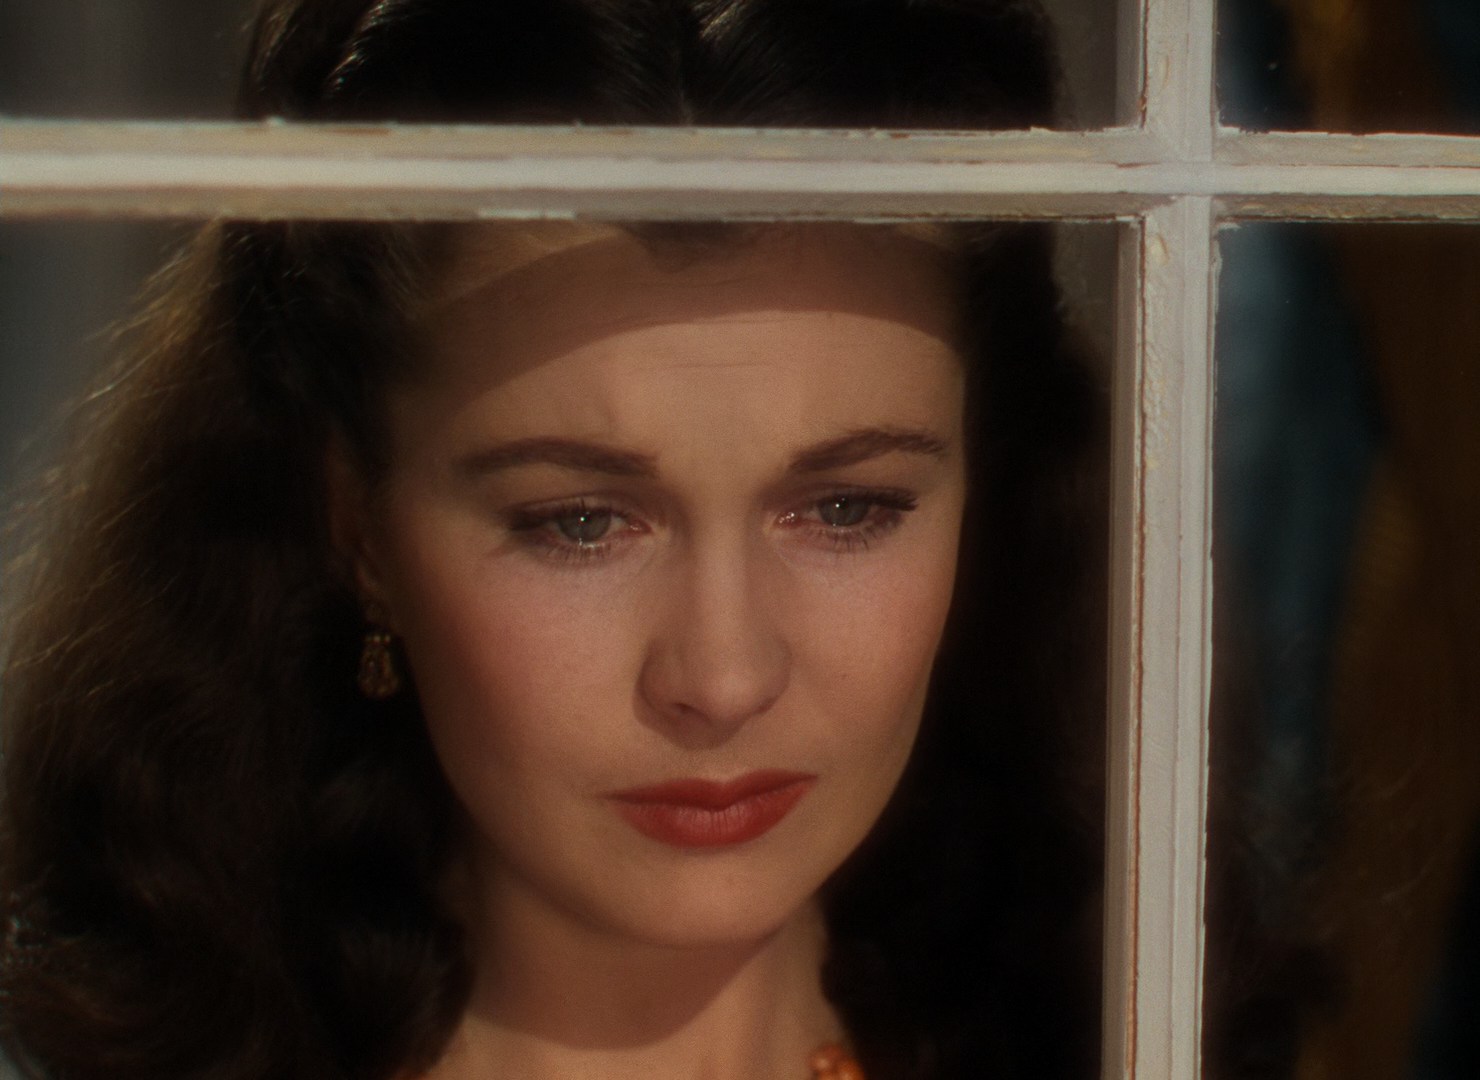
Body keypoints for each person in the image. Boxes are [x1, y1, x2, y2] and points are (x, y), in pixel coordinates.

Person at [0, 2, 1106, 1078]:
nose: (720, 680)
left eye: (846, 509)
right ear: (357, 526)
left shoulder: (1137, 1023)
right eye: (581, 523)